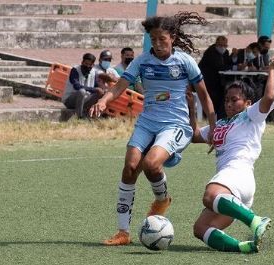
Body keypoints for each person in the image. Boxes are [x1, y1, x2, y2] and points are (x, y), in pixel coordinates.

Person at [89, 12, 216, 246]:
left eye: (162, 39)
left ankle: (162, 199)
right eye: (153, 39)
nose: (157, 44)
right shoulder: (142, 62)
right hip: (147, 121)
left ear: (173, 37)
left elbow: (205, 97)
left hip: (175, 124)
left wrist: (214, 128)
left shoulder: (185, 61)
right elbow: (119, 87)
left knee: (151, 164)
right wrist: (103, 101)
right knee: (130, 168)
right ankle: (123, 233)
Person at [187, 49, 274, 254]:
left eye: (235, 99)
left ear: (248, 103)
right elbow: (195, 135)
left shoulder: (250, 117)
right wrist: (190, 107)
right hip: (233, 189)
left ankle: (256, 220)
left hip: (238, 174)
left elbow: (268, 97)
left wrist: (272, 70)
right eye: (227, 100)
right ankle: (244, 247)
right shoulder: (221, 124)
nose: (229, 103)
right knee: (201, 229)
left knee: (209, 195)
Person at [62, 53, 106, 119]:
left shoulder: (93, 72)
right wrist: (95, 89)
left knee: (101, 93)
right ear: (82, 62)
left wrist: (101, 90)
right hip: (70, 100)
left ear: (93, 65)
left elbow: (96, 86)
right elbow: (77, 86)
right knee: (82, 92)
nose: (87, 66)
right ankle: (79, 116)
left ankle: (93, 115)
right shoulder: (75, 70)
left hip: (84, 100)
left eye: (90, 65)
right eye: (86, 64)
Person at [198, 36, 232, 120]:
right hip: (209, 80)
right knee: (213, 96)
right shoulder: (210, 52)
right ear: (216, 43)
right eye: (221, 45)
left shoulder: (225, 52)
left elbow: (228, 63)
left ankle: (219, 115)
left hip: (219, 80)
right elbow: (219, 66)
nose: (223, 48)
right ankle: (208, 115)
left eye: (225, 46)